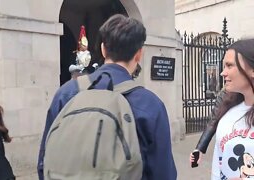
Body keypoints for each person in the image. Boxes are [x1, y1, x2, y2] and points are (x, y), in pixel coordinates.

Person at [37, 14, 177, 180]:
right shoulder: (150, 104)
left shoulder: (66, 93)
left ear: (103, 49)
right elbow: (163, 173)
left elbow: (43, 164)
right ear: (139, 54)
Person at [191, 38, 254, 179]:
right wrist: (200, 148)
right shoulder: (227, 114)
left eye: (229, 65)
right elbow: (218, 164)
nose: (222, 73)